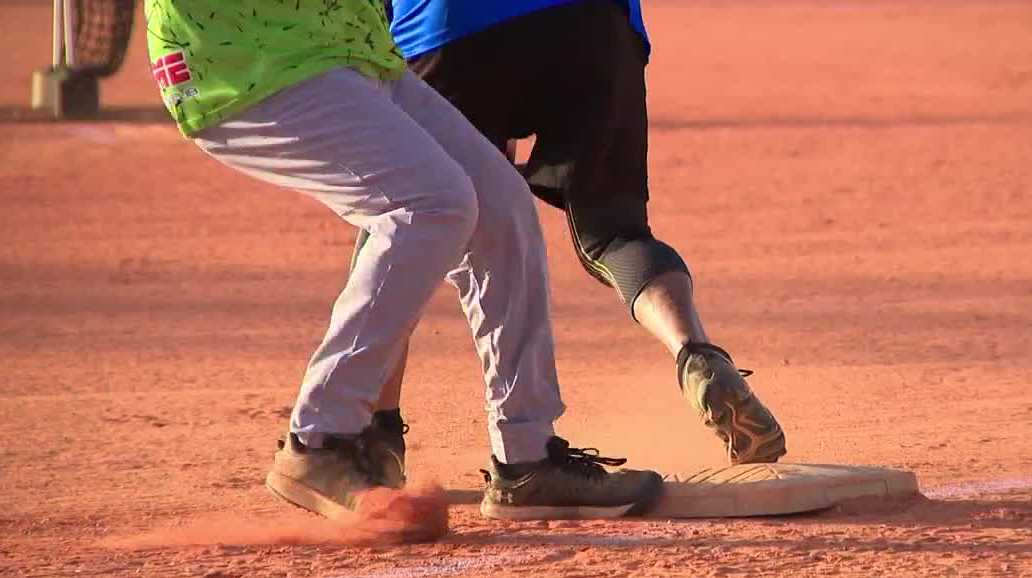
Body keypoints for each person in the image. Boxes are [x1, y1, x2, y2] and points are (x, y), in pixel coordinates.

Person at [144, 0, 662, 521]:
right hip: (244, 66)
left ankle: (526, 459)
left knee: (500, 205)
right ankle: (320, 440)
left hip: (350, 49)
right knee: (432, 205)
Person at [368, 0, 787, 470]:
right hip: (594, 25)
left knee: (404, 225)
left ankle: (374, 439)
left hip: (448, 32)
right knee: (615, 233)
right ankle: (697, 355)